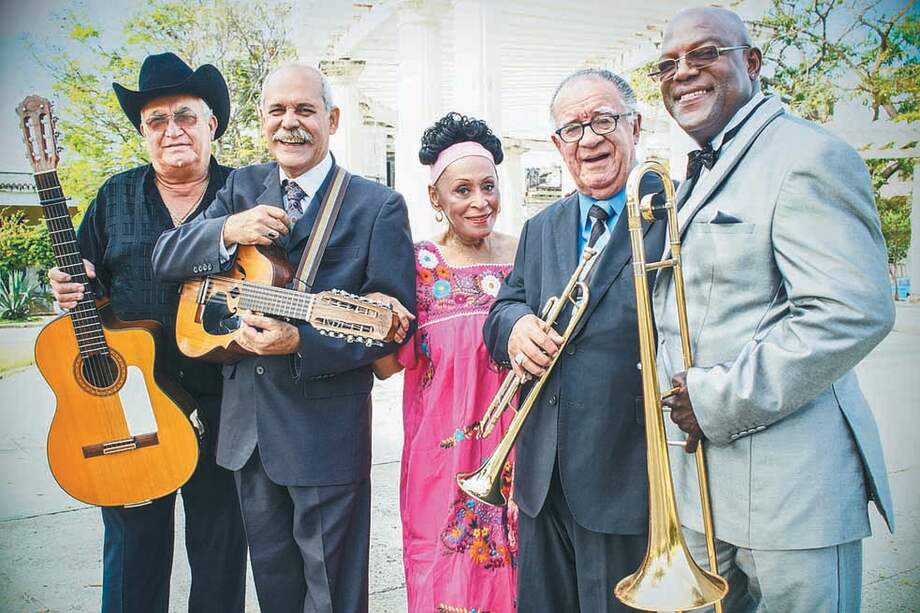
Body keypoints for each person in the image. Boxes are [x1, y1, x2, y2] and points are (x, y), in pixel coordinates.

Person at [652, 7, 895, 611]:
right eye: (668, 63)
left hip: (792, 495)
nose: (683, 73)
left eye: (704, 54)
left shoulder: (808, 155)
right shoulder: (702, 169)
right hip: (704, 490)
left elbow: (849, 311)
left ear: (751, 63)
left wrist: (714, 399)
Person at [151, 63, 415, 613]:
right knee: (275, 592)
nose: (289, 123)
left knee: (332, 595)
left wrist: (303, 343)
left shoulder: (376, 206)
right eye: (277, 111)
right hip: (248, 435)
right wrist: (228, 229)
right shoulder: (241, 188)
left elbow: (392, 323)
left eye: (304, 110)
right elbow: (166, 258)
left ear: (332, 119)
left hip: (326, 434)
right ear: (262, 121)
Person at [47, 52, 246, 613]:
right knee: (133, 553)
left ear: (212, 125)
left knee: (220, 548)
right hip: (133, 402)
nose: (171, 130)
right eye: (156, 120)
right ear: (143, 132)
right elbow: (84, 285)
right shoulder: (114, 197)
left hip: (224, 398)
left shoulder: (245, 193)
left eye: (185, 116)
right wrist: (70, 286)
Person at [482, 69, 669, 613]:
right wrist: (515, 328)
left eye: (604, 120)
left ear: (636, 125)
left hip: (625, 475)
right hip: (542, 480)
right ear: (557, 144)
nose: (589, 138)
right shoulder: (543, 227)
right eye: (572, 128)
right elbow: (504, 307)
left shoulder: (677, 213)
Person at [373, 112, 519, 613]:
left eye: (488, 187)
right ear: (436, 197)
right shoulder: (414, 265)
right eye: (462, 191)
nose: (480, 203)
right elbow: (386, 364)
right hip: (439, 461)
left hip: (518, 454)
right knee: (442, 576)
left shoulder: (528, 253)